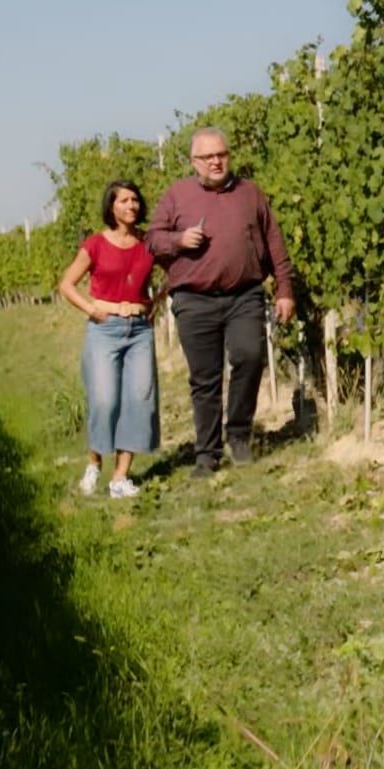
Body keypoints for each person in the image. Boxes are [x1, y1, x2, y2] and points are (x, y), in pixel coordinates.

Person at [146, 127, 296, 477]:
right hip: (193, 300)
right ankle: (207, 455)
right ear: (194, 162)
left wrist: (285, 289)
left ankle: (239, 434)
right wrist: (179, 240)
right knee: (205, 378)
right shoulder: (177, 195)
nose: (216, 161)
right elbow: (153, 240)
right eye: (207, 157)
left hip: (244, 294)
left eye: (221, 155)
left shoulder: (250, 193)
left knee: (250, 356)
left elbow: (274, 241)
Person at [57, 180, 161, 498]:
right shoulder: (95, 246)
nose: (132, 206)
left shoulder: (149, 243)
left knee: (140, 399)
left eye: (135, 200)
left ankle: (119, 478)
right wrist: (92, 309)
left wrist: (155, 302)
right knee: (105, 401)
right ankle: (94, 462)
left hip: (139, 330)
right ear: (111, 207)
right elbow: (67, 285)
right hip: (105, 330)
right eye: (124, 201)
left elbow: (177, 270)